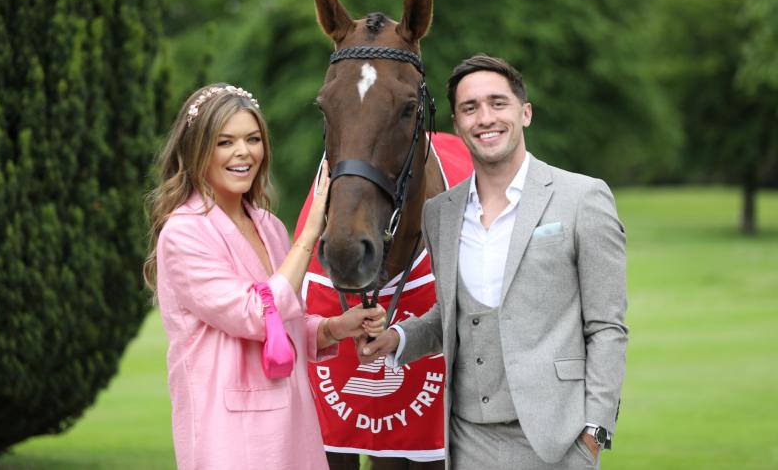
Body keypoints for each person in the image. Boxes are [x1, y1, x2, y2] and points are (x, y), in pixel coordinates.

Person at [357, 55, 628, 469]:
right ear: (457, 124)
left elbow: (607, 326)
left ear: (525, 112)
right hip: (467, 441)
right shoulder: (439, 212)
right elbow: (453, 314)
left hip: (556, 440)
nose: (485, 118)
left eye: (498, 103)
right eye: (470, 108)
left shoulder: (582, 199)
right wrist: (397, 340)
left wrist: (595, 431)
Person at [143, 83, 386, 470]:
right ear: (197, 151)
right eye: (225, 142)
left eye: (253, 139)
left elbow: (284, 326)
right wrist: (310, 232)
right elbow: (256, 314)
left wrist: (335, 327)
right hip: (228, 429)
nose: (244, 152)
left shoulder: (269, 226)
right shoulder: (185, 232)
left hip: (292, 418)